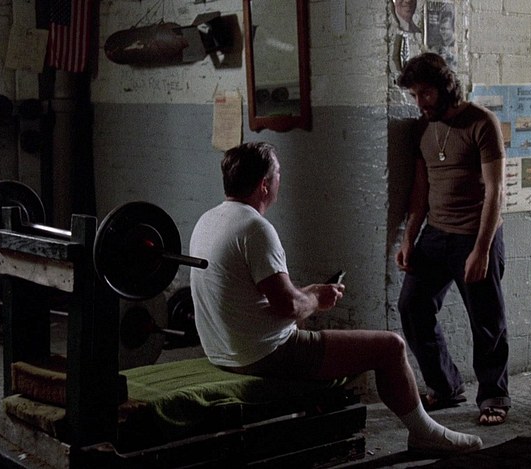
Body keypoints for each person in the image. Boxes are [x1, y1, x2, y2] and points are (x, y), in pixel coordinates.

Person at [189, 142, 484, 455]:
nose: (279, 180)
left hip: (221, 351)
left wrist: (311, 293)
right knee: (390, 347)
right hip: (261, 355)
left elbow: (263, 294)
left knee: (315, 326)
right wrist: (317, 300)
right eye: (278, 174)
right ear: (264, 185)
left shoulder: (208, 220)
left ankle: (318, 414)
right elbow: (288, 306)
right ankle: (425, 433)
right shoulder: (255, 228)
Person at [395, 53, 511, 426]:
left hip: (475, 235)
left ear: (445, 87)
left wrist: (482, 249)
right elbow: (420, 190)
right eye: (414, 95)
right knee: (412, 305)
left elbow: (495, 192)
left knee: (486, 319)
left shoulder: (481, 122)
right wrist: (409, 238)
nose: (420, 102)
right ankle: (445, 386)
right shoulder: (424, 128)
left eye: (425, 93)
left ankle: (493, 395)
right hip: (435, 235)